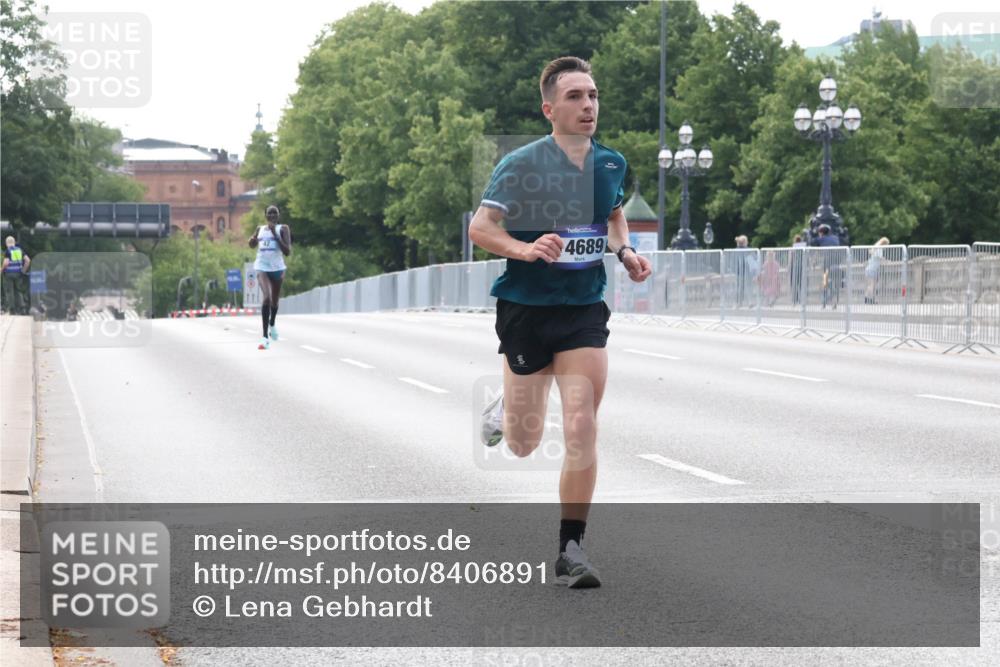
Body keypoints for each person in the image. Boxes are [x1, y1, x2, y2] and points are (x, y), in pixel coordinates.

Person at [470, 56, 651, 589]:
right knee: (525, 442)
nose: (588, 105)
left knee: (580, 423)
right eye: (574, 96)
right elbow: (482, 228)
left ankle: (571, 547)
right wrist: (524, 249)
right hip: (526, 308)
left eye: (592, 95)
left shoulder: (611, 164)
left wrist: (624, 253)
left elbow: (613, 215)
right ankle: (507, 408)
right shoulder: (522, 164)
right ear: (550, 108)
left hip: (582, 308)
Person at [248, 205, 291, 349]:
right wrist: (252, 241)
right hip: (262, 267)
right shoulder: (260, 229)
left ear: (278, 215)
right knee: (267, 297)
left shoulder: (283, 229)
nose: (272, 215)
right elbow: (252, 244)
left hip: (277, 268)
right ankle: (265, 337)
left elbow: (287, 251)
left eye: (275, 213)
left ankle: (272, 323)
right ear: (265, 215)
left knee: (274, 302)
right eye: (269, 213)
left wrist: (276, 235)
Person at [815, 224, 842, 309]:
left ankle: (824, 302)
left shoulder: (822, 238)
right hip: (837, 264)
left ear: (821, 232)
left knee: (825, 283)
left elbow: (812, 243)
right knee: (834, 283)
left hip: (827, 265)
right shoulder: (835, 238)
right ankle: (834, 303)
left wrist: (814, 263)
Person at [2, 236, 31, 315]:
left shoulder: (8, 251)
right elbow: (28, 260)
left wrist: (1, 269)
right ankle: (22, 309)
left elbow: (6, 263)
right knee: (18, 291)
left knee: (10, 291)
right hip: (18, 274)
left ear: (7, 243)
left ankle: (12, 310)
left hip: (9, 274)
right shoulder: (19, 250)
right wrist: (23, 270)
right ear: (14, 242)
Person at [864, 237, 890, 304]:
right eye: (886, 245)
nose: (886, 247)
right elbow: (879, 258)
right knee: (872, 285)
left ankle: (868, 299)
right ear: (884, 244)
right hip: (871, 269)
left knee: (872, 285)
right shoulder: (879, 248)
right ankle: (869, 299)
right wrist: (886, 260)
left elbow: (878, 258)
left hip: (872, 269)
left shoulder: (877, 248)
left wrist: (885, 260)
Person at [790, 234, 807, 305]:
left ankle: (795, 299)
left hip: (795, 266)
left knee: (794, 283)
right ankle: (801, 299)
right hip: (802, 266)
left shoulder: (794, 247)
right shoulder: (803, 247)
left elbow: (792, 257)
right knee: (801, 284)